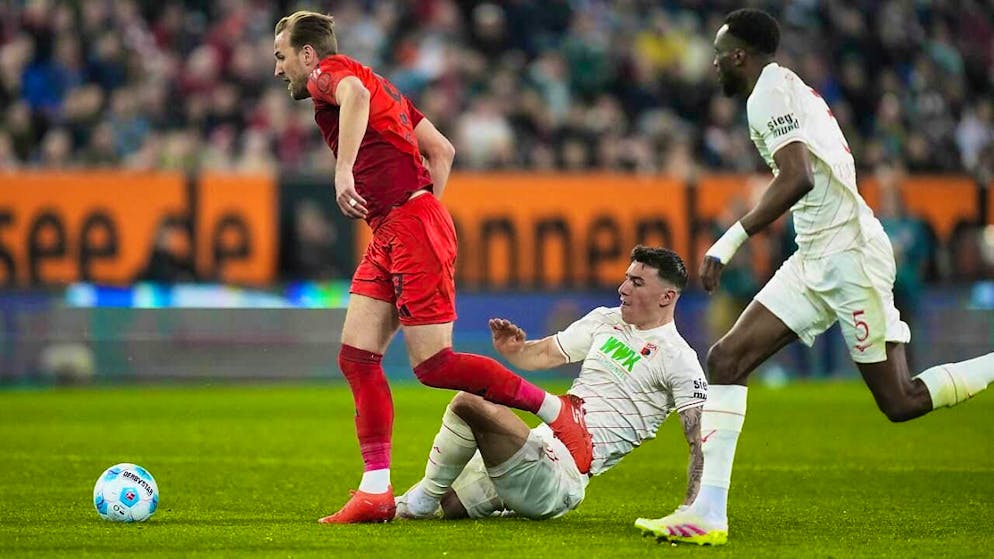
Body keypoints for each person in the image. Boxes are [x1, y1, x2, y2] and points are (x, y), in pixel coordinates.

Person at [635, 8, 994, 546]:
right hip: (815, 255)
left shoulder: (769, 94)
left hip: (851, 258)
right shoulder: (784, 88)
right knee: (726, 359)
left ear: (738, 56)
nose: (712, 67)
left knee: (899, 401)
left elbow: (798, 176)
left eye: (718, 56)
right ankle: (707, 512)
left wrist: (729, 241)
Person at [272, 11, 590, 524]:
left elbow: (352, 96)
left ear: (307, 55)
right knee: (357, 358)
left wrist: (346, 170)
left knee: (434, 366)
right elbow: (442, 150)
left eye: (281, 55)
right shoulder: (389, 91)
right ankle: (376, 490)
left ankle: (558, 411)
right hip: (396, 228)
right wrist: (423, 209)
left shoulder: (330, 75)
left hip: (409, 226)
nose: (277, 68)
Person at [393, 246, 707, 522]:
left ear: (667, 296)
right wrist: (517, 350)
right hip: (540, 441)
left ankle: (419, 502)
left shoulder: (679, 358)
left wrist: (695, 507)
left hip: (564, 473)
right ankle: (473, 499)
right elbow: (546, 354)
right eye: (626, 277)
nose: (623, 288)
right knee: (450, 506)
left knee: (468, 403)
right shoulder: (606, 320)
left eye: (637, 282)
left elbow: (701, 441)